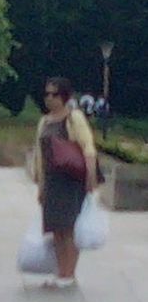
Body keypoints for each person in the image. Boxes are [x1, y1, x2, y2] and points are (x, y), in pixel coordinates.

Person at [33, 76, 99, 288]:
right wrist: (40, 184)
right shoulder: (44, 121)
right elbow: (39, 155)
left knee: (68, 228)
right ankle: (61, 271)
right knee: (56, 229)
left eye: (54, 94)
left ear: (64, 96)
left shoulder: (73, 118)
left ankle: (69, 274)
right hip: (52, 181)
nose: (49, 98)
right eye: (47, 94)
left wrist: (90, 177)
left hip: (71, 180)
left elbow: (87, 146)